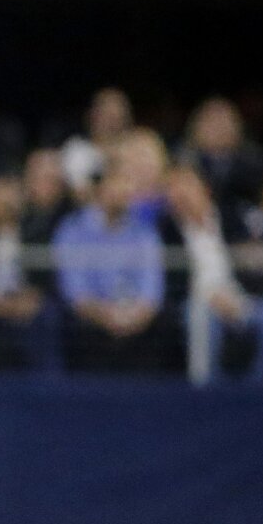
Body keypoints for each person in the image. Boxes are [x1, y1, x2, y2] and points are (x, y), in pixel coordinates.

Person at [161, 165, 263, 383]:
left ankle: (259, 384)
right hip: (199, 303)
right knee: (199, 313)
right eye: (172, 187)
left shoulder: (234, 218)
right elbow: (170, 281)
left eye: (186, 184)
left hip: (244, 299)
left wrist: (256, 259)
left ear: (205, 189)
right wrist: (210, 297)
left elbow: (262, 256)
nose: (180, 193)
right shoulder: (166, 230)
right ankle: (206, 390)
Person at [53, 157, 167, 372]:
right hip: (91, 322)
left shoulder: (144, 232)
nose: (124, 190)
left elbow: (152, 290)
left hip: (137, 322)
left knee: (163, 327)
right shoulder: (72, 229)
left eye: (127, 182)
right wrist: (107, 316)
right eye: (116, 182)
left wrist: (133, 317)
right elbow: (76, 292)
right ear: (99, 188)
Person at [0, 174, 61, 374]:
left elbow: (44, 280)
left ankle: (49, 389)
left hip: (25, 302)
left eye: (10, 194)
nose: (5, 201)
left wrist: (29, 299)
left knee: (48, 315)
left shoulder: (37, 231)